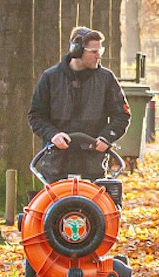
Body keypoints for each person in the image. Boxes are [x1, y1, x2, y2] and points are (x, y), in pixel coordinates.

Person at [28, 26, 131, 181]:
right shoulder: (50, 78)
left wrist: (106, 137)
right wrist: (53, 135)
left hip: (93, 164)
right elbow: (36, 116)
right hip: (56, 164)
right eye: (94, 52)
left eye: (100, 51)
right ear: (76, 50)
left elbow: (122, 115)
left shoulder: (106, 79)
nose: (98, 56)